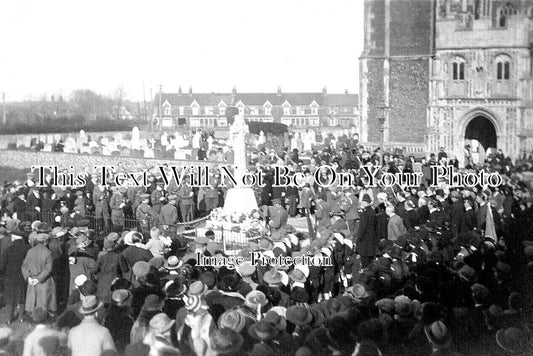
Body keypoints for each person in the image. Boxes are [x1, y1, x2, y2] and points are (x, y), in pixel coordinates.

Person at [21, 233, 57, 316]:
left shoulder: (30, 251)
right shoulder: (48, 252)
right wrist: (38, 279)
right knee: (45, 301)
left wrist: (28, 277)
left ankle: (34, 316)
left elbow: (24, 266)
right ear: (46, 241)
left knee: (34, 300)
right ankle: (44, 317)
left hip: (32, 280)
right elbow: (48, 269)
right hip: (44, 281)